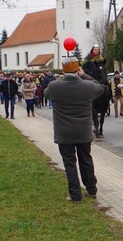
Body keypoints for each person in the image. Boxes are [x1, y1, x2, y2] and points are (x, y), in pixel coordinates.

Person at [44, 57, 105, 202]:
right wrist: (83, 75)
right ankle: (91, 189)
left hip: (64, 132)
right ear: (78, 69)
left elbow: (46, 93)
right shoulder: (87, 86)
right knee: (86, 159)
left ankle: (75, 195)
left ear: (63, 70)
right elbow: (100, 86)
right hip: (83, 131)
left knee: (69, 163)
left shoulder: (55, 87)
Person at [81, 44, 110, 138]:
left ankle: (111, 97)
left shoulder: (101, 60)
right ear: (92, 50)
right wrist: (89, 73)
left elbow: (104, 71)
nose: (97, 51)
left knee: (108, 85)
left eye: (98, 49)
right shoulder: (87, 60)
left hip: (101, 79)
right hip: (90, 78)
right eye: (95, 49)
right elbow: (84, 69)